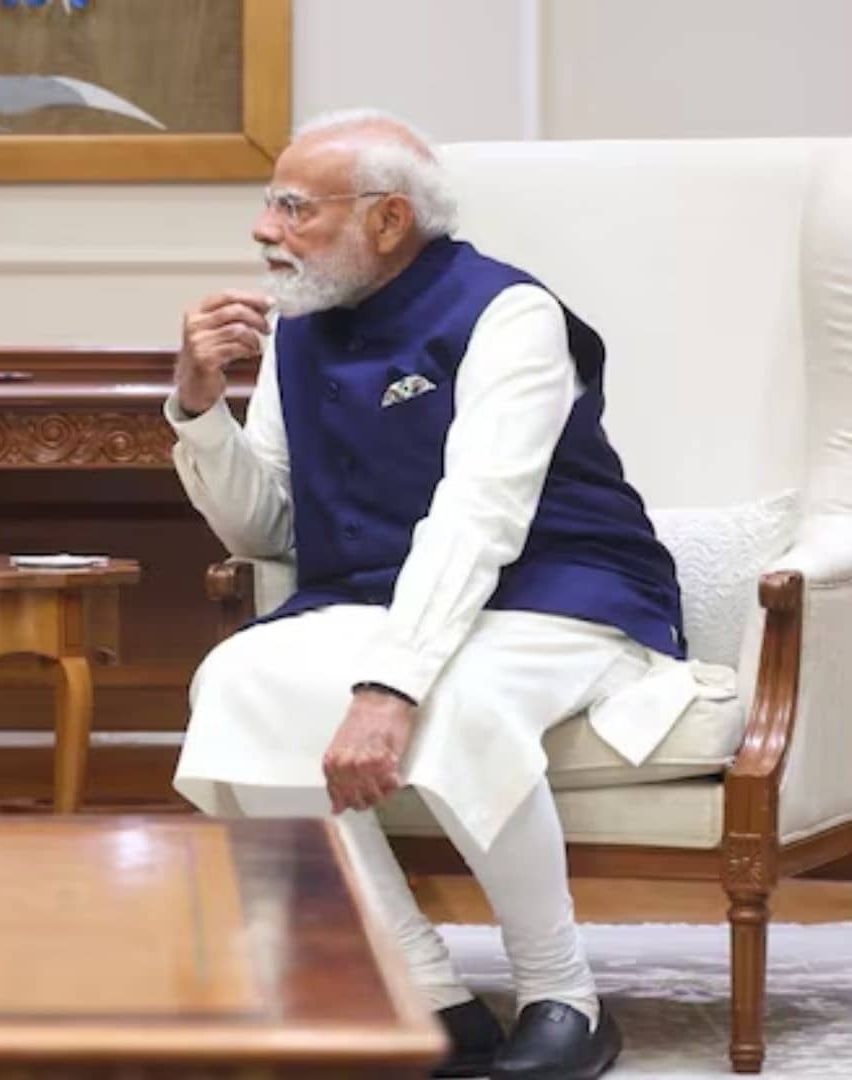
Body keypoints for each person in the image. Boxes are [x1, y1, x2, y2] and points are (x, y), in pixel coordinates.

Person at [167, 110, 723, 1080]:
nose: (266, 230)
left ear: (387, 220)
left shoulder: (510, 314)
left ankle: (564, 997)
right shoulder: (298, 327)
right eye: (268, 203)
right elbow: (269, 532)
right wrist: (199, 406)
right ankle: (423, 992)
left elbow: (481, 514)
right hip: (383, 603)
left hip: (563, 592)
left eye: (294, 207)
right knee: (236, 679)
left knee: (456, 700)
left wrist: (391, 687)